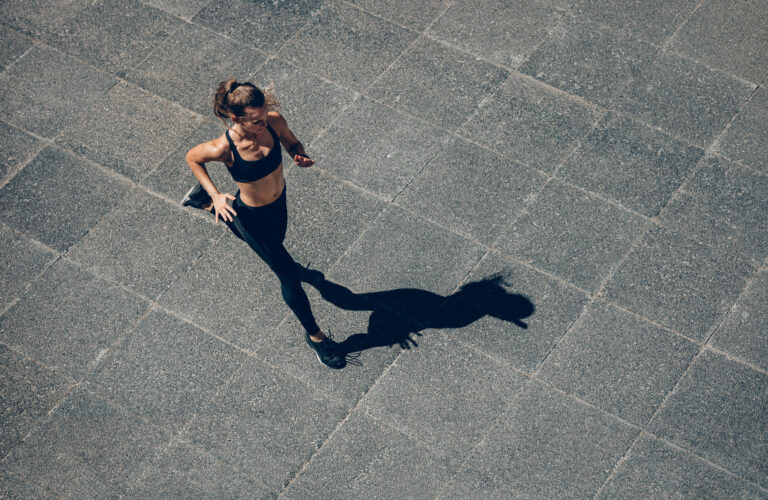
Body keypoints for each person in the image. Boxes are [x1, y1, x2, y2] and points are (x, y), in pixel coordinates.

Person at [182, 79, 344, 369]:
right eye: (255, 120)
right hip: (252, 216)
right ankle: (317, 338)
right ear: (236, 119)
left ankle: (202, 204)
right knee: (288, 276)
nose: (263, 121)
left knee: (276, 247)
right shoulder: (224, 147)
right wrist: (217, 194)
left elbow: (292, 141)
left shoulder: (272, 121)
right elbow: (193, 158)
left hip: (278, 205)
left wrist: (298, 153)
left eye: (265, 112)